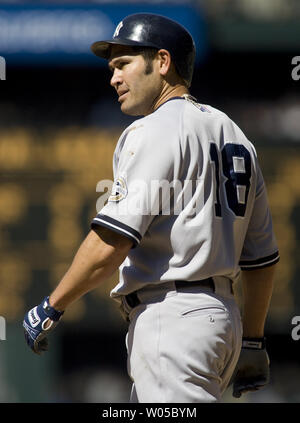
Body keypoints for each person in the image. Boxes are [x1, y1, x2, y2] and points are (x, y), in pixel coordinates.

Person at [23, 13, 279, 403]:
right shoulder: (235, 133)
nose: (113, 78)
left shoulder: (155, 129)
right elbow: (261, 260)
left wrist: (51, 305)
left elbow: (111, 240)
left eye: (123, 64)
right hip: (222, 321)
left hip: (173, 319)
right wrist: (254, 340)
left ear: (162, 62)